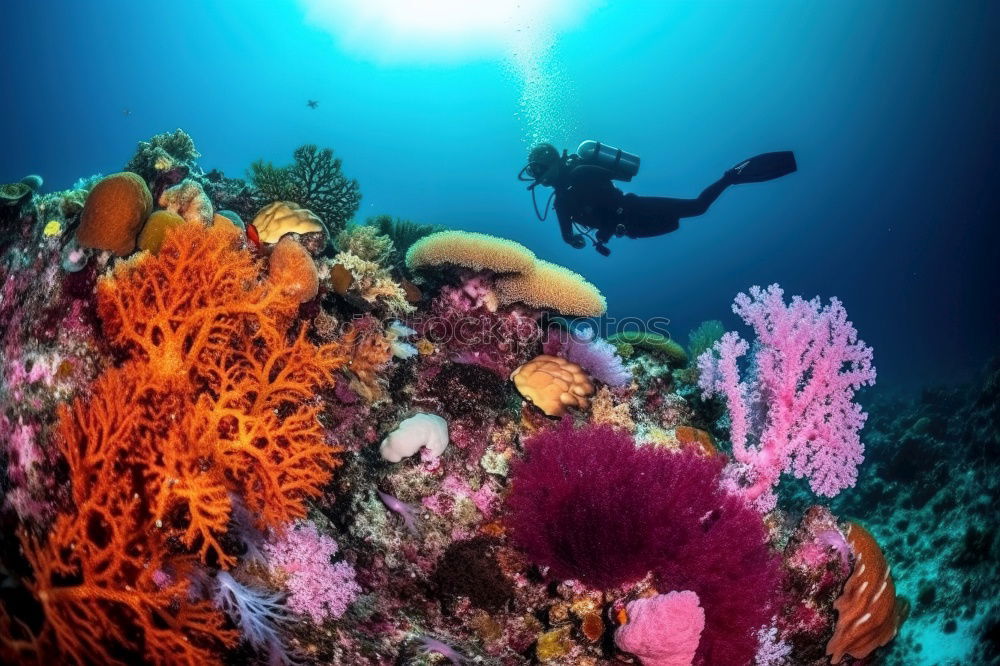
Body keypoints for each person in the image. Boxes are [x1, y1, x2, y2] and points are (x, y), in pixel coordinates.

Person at [519, 141, 797, 255]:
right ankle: (732, 177)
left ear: (553, 162)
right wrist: (587, 239)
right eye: (535, 172)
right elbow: (568, 235)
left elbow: (607, 196)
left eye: (539, 170)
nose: (538, 178)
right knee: (690, 215)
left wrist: (598, 230)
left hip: (634, 209)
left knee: (698, 207)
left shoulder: (580, 173)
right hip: (632, 229)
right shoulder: (561, 200)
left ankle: (733, 175)